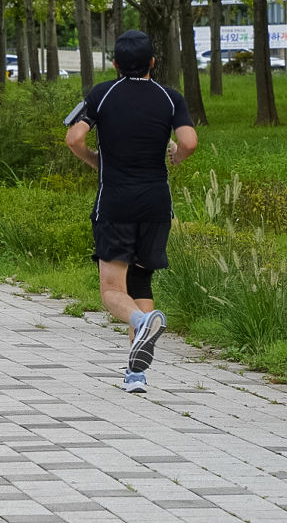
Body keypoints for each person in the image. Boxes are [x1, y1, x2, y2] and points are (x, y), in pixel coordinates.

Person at [65, 29, 198, 393]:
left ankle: (142, 323)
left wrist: (95, 161)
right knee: (140, 281)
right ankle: (136, 375)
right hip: (156, 205)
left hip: (115, 203)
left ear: (114, 64)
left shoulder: (102, 94)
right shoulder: (170, 98)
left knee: (112, 290)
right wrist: (177, 156)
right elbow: (188, 141)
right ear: (153, 62)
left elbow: (74, 138)